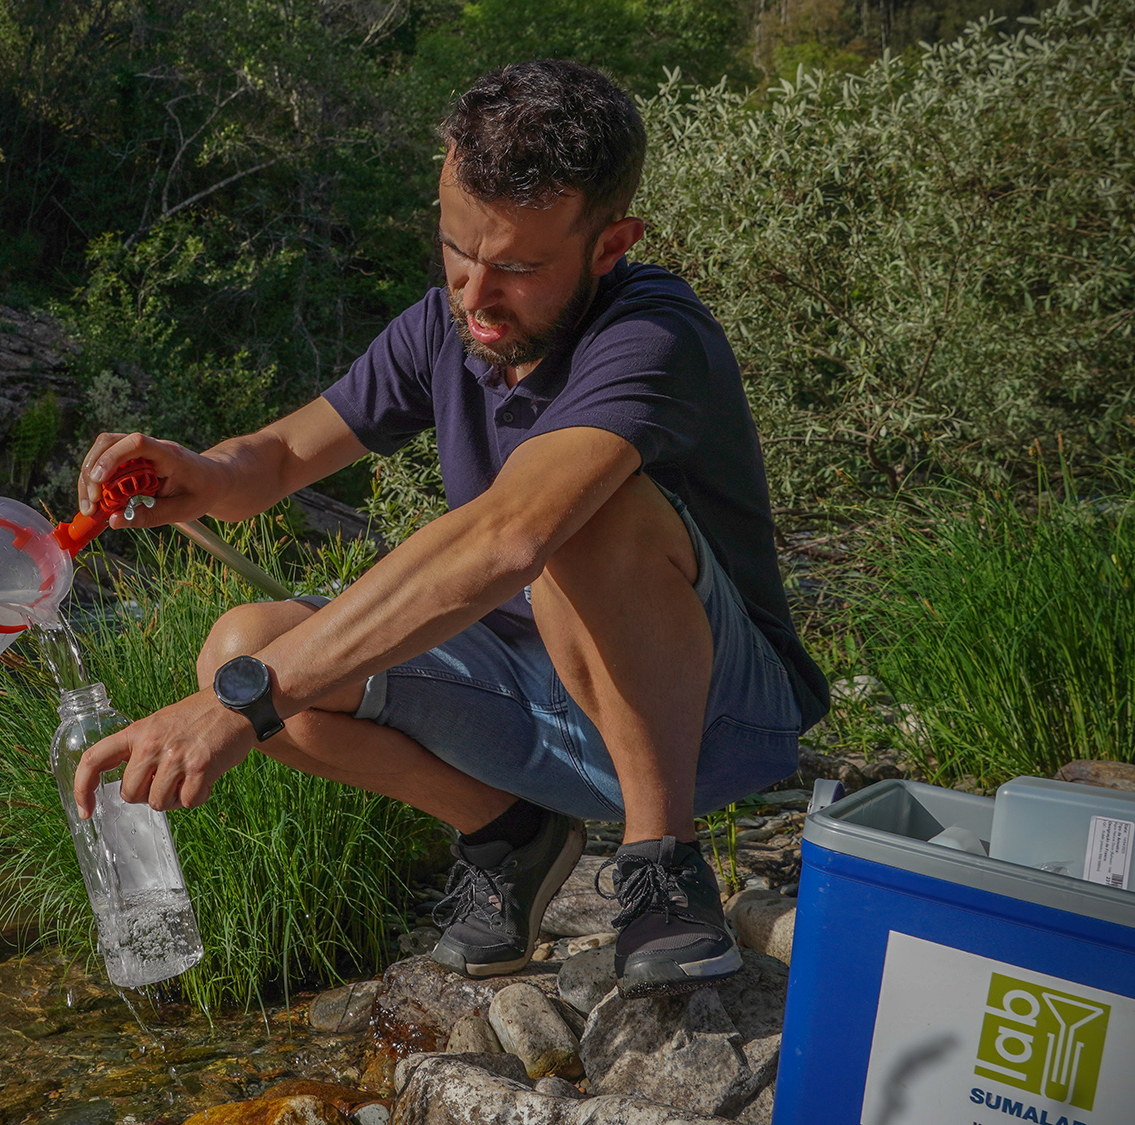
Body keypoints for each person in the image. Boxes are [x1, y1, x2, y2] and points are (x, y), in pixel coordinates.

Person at [67, 59, 829, 996]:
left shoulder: (654, 335)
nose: (475, 295)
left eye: (516, 266)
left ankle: (661, 861)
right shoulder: (444, 329)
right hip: (531, 705)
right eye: (457, 251)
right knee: (242, 643)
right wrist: (202, 474)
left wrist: (239, 708)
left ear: (609, 244)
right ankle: (510, 834)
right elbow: (274, 459)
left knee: (575, 515)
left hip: (716, 714)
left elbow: (512, 534)